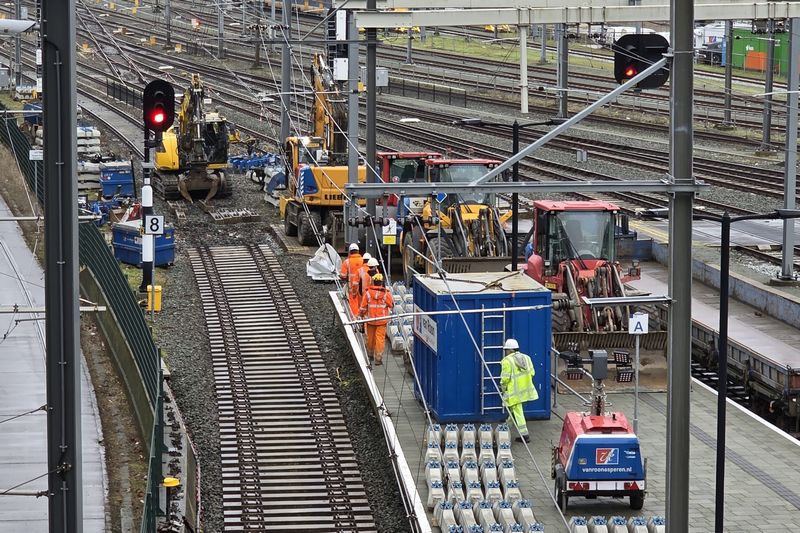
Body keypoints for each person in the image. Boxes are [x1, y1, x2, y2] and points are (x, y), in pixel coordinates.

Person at [500, 338, 538, 443]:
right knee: (513, 411)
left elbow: (505, 379)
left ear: (509, 350)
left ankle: (525, 435)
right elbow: (532, 373)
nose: (505, 353)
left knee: (518, 412)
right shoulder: (526, 358)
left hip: (514, 393)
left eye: (506, 350)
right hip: (525, 390)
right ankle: (505, 428)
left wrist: (502, 388)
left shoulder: (507, 361)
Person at [360, 273, 394, 366]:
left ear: (373, 282)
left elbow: (363, 307)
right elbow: (391, 305)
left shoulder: (368, 293)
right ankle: (378, 359)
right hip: (381, 321)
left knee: (370, 338)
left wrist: (361, 315)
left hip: (370, 320)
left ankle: (370, 354)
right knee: (380, 339)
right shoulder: (386, 294)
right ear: (381, 282)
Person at [340, 243, 363, 316]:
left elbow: (343, 276)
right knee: (362, 302)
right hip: (363, 287)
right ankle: (362, 319)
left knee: (353, 303)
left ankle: (354, 318)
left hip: (352, 287)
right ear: (358, 251)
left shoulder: (346, 262)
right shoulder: (363, 261)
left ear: (350, 252)